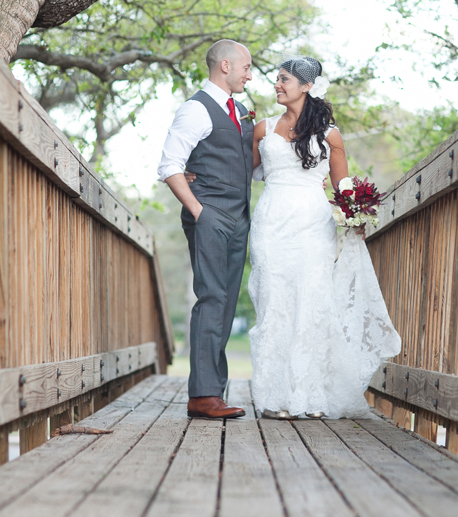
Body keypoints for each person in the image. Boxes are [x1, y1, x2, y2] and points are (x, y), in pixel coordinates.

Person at [249, 54, 401, 419]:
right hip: (270, 222)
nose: (277, 85)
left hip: (313, 224)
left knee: (311, 303)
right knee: (273, 301)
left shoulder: (329, 135)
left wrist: (356, 213)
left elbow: (342, 185)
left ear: (306, 86)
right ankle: (275, 398)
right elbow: (245, 173)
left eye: (284, 79)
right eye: (277, 79)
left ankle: (309, 396)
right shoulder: (262, 129)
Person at [158, 39, 254, 419]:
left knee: (226, 302)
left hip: (239, 217)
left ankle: (214, 390)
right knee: (212, 296)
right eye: (246, 66)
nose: (250, 74)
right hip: (211, 214)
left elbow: (246, 163)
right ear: (226, 66)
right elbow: (169, 165)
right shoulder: (195, 109)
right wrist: (200, 212)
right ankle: (202, 396)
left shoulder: (242, 110)